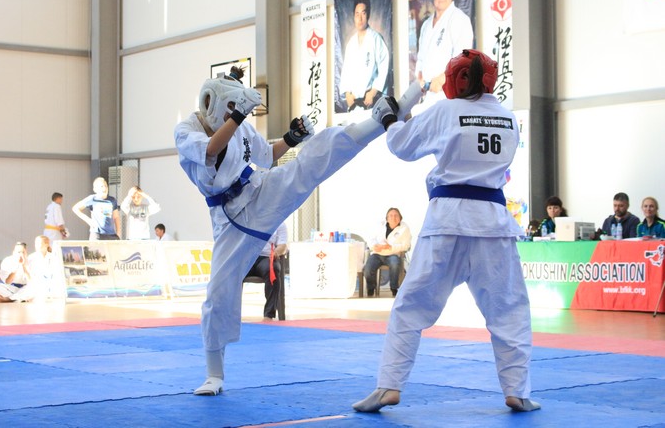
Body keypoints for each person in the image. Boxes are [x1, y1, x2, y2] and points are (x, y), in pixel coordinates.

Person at [175, 65, 423, 396]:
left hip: (258, 190)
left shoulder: (240, 123)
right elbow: (210, 150)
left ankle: (379, 120)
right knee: (219, 293)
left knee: (312, 160)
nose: (235, 113)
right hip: (229, 218)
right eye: (231, 108)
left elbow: (267, 155)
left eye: (237, 108)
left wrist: (292, 137)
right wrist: (238, 115)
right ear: (214, 103)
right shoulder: (186, 130)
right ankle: (214, 375)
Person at [353, 49, 540, 414]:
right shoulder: (509, 119)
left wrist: (391, 118)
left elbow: (403, 145)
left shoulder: (447, 111)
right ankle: (517, 391)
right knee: (509, 310)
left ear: (457, 80)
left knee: (410, 306)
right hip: (492, 224)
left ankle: (389, 386)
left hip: (447, 223)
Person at [414, 0, 474, 104]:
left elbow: (462, 61)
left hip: (448, 96)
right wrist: (419, 78)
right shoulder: (426, 25)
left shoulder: (460, 19)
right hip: (426, 97)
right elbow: (421, 59)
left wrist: (442, 79)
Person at [338, 0, 390, 112]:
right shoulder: (351, 43)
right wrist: (347, 94)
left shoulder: (376, 38)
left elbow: (384, 67)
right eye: (357, 14)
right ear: (354, 16)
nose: (360, 18)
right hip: (353, 103)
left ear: (368, 15)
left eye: (363, 13)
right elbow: (346, 71)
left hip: (371, 100)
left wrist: (373, 92)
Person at [362, 207, 412, 297]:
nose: (393, 217)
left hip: (393, 254)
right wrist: (374, 246)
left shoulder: (404, 228)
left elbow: (406, 245)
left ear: (400, 218)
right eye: (391, 215)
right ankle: (371, 287)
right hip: (377, 253)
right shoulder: (379, 225)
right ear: (387, 218)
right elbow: (370, 238)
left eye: (396, 215)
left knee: (395, 264)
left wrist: (391, 247)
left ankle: (394, 288)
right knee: (367, 269)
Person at [244, 221, 288, 320]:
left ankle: (269, 315)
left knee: (273, 270)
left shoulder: (280, 223)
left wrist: (276, 252)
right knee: (232, 272)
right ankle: (230, 314)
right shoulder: (247, 219)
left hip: (266, 258)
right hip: (247, 258)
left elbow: (282, 246)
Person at [28, 235, 64, 300]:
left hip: (52, 287)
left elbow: (57, 273)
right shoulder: (31, 258)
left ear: (46, 244)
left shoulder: (54, 257)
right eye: (36, 243)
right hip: (36, 287)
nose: (36, 245)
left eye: (39, 243)